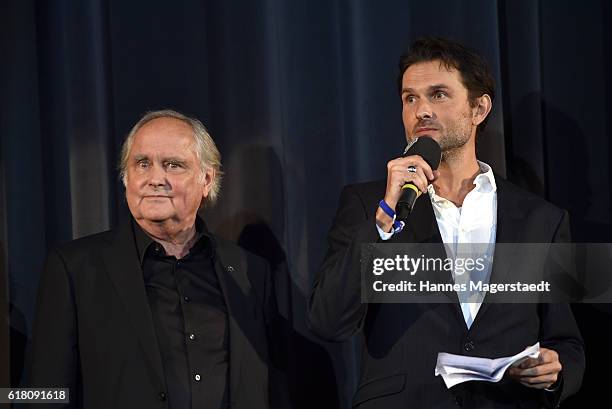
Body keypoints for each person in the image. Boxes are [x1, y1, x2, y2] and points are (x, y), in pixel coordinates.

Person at [308, 37, 585, 408]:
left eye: (438, 94)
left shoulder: (541, 220)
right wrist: (384, 222)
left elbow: (566, 342)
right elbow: (328, 321)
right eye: (410, 98)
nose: (421, 110)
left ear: (479, 108)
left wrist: (556, 370)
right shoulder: (367, 205)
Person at [25, 110, 280, 409]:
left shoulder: (250, 272)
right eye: (142, 164)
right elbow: (40, 393)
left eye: (173, 165)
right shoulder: (74, 268)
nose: (155, 178)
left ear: (207, 180)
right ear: (126, 178)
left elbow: (270, 388)